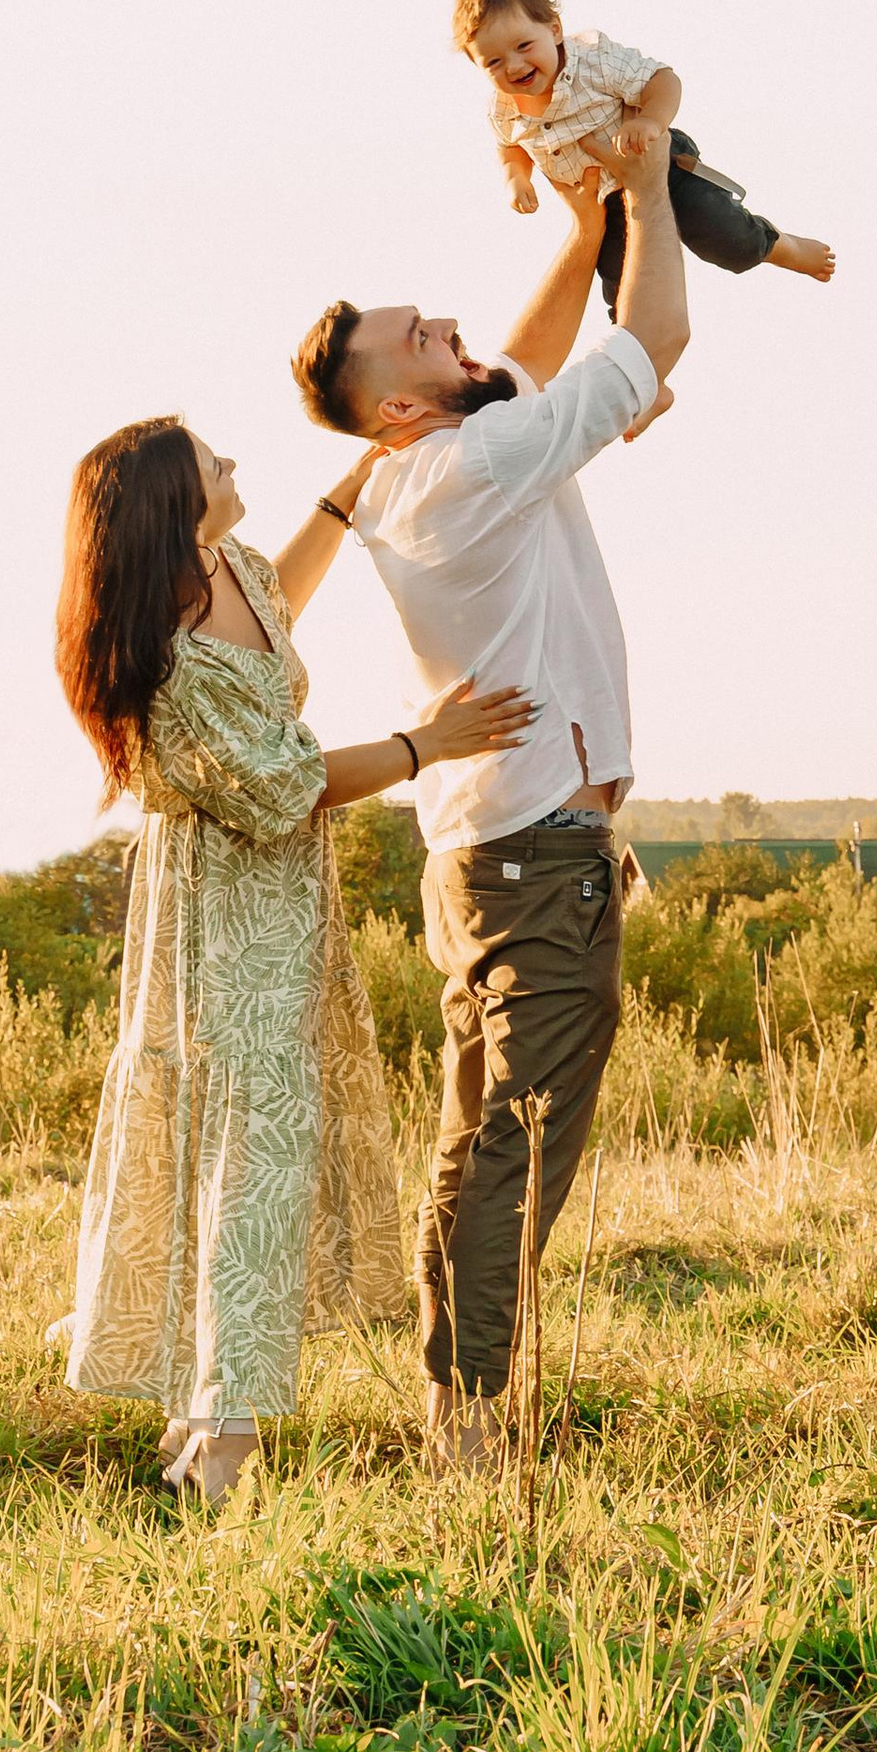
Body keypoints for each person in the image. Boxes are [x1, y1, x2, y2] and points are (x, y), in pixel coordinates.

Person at [288, 136, 690, 1474]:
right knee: (515, 1140)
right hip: (532, 850)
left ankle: (460, 1396)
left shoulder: (428, 462)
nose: (448, 325)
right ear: (398, 405)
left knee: (480, 1136)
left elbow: (525, 344)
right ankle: (469, 1416)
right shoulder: (472, 467)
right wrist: (643, 185)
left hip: (491, 850)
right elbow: (658, 338)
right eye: (418, 335)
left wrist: (582, 234)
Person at [54, 413, 533, 1504]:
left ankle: (202, 1414)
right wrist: (427, 747)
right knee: (249, 1174)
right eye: (214, 464)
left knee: (250, 1166)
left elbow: (286, 592)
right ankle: (225, 1442)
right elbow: (284, 788)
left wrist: (354, 485)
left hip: (282, 917)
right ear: (177, 502)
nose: (233, 466)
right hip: (226, 932)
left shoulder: (227, 570)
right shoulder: (171, 665)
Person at [454, 0, 835, 346]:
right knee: (624, 292)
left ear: (554, 29)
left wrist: (650, 120)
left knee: (726, 237)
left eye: (523, 46)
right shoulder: (502, 110)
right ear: (476, 64)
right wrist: (516, 179)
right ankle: (640, 367)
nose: (515, 65)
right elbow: (511, 146)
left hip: (662, 167)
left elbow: (662, 79)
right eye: (494, 62)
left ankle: (782, 247)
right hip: (608, 205)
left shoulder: (593, 60)